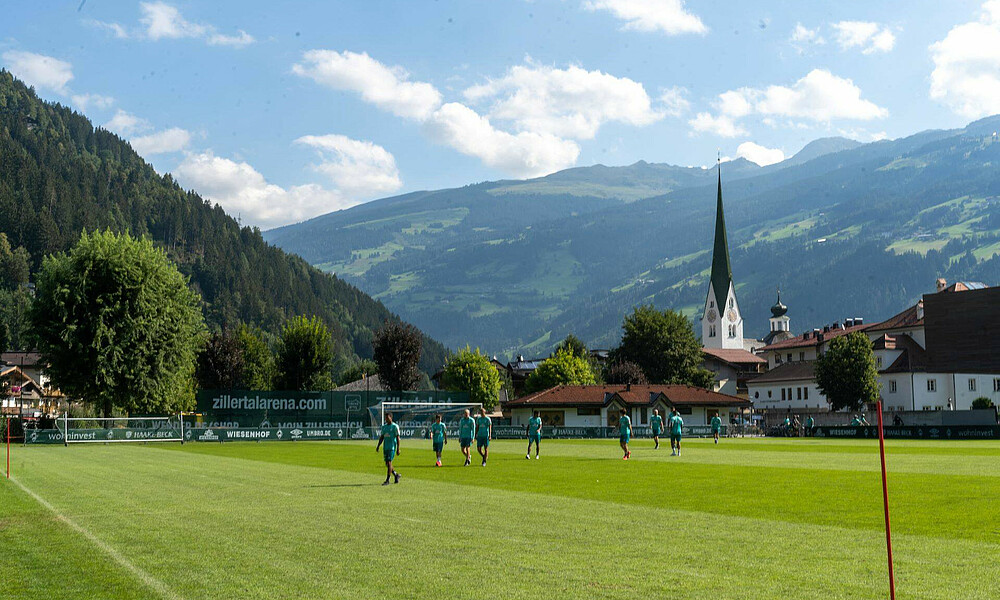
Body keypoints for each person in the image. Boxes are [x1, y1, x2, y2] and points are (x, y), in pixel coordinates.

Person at [375, 412, 401, 485]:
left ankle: (387, 480)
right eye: (385, 418)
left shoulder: (395, 426)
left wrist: (398, 448)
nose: (386, 419)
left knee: (389, 462)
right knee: (387, 464)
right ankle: (396, 475)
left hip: (392, 448)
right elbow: (382, 437)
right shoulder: (384, 427)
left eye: (387, 418)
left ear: (391, 417)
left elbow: (398, 438)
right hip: (385, 447)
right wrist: (378, 446)